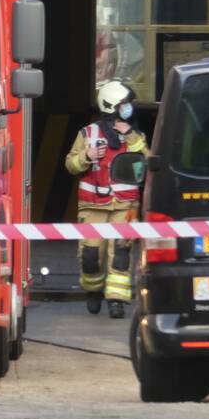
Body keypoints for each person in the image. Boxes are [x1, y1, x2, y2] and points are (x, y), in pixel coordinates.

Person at [64, 79, 147, 319]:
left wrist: (130, 136)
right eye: (124, 104)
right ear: (111, 105)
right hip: (93, 206)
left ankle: (116, 300)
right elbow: (70, 164)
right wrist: (87, 156)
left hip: (126, 205)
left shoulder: (135, 134)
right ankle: (93, 292)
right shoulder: (87, 134)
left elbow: (148, 160)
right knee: (91, 255)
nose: (129, 108)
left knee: (121, 253)